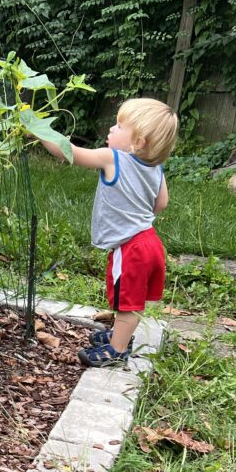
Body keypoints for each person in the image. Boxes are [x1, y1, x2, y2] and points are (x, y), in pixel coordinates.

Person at [41, 98, 178, 367]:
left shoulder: (112, 158)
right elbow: (161, 204)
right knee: (134, 298)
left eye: (118, 126)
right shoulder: (156, 169)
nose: (111, 130)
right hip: (150, 241)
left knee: (128, 304)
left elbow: (69, 152)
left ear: (138, 142)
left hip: (132, 248)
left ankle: (117, 349)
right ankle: (121, 336)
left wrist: (39, 131)